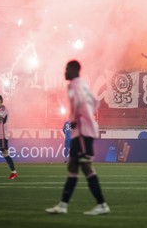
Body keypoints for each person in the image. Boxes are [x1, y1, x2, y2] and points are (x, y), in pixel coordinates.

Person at [46, 60, 110, 215]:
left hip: (81, 132)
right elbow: (95, 101)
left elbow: (80, 102)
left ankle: (102, 205)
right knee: (73, 166)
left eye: (67, 69)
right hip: (83, 130)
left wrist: (75, 120)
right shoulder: (84, 84)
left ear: (74, 70)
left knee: (86, 167)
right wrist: (89, 116)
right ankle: (62, 206)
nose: (65, 72)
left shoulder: (73, 85)